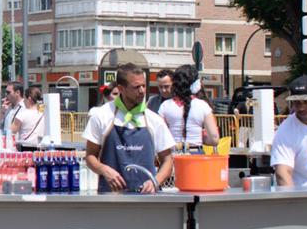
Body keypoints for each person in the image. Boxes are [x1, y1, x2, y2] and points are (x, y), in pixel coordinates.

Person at [83, 63, 174, 193]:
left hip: (147, 200)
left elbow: (168, 160)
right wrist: (104, 170)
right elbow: (90, 156)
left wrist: (155, 182)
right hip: (110, 199)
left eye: (143, 85)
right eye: (136, 87)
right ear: (121, 88)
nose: (142, 91)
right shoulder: (101, 115)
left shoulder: (154, 120)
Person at [158, 65, 216, 151]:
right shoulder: (203, 105)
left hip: (174, 153)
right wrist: (198, 137)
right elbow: (214, 139)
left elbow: (160, 135)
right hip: (196, 153)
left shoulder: (165, 106)